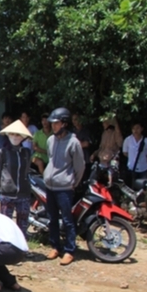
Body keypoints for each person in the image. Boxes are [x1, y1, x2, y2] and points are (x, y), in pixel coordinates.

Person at [43, 107, 85, 266]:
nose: (53, 126)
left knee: (67, 220)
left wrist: (72, 183)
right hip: (50, 186)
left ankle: (69, 250)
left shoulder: (74, 142)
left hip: (65, 188)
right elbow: (50, 160)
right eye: (52, 123)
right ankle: (55, 246)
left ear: (64, 124)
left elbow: (79, 167)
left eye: (57, 123)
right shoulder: (50, 140)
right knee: (52, 218)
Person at [0, 120, 32, 238]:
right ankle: (6, 248)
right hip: (7, 192)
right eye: (12, 134)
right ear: (8, 135)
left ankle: (22, 248)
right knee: (5, 223)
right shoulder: (3, 151)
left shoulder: (26, 152)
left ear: (23, 137)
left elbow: (27, 170)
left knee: (23, 223)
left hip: (24, 193)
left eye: (18, 135)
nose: (15, 137)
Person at [122, 121, 147, 190]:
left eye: (137, 128)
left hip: (143, 168)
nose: (135, 130)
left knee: (143, 188)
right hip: (131, 168)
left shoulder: (146, 141)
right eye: (133, 128)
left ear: (141, 129)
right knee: (131, 188)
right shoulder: (127, 140)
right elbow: (125, 152)